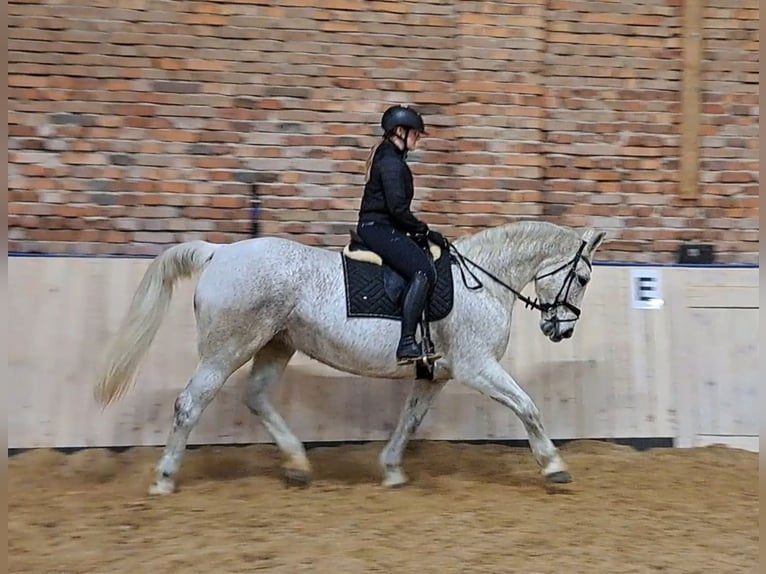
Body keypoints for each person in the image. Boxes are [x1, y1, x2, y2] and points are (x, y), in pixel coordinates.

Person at [355, 104, 449, 364]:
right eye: (415, 133)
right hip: (378, 228)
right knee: (423, 271)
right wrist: (424, 231)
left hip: (384, 226)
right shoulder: (391, 163)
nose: (417, 138)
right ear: (399, 131)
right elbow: (397, 209)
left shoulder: (389, 158)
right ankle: (407, 342)